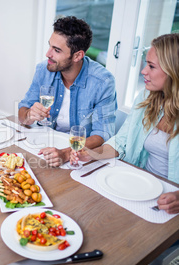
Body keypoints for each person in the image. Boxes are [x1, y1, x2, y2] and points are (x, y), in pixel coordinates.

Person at [72, 33, 179, 214]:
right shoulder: (147, 98)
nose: (143, 71)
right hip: (141, 185)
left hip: (169, 201)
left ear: (173, 71)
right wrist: (91, 154)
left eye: (151, 66)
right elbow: (121, 142)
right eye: (146, 64)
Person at [18, 16, 117, 167]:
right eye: (50, 46)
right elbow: (22, 113)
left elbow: (102, 134)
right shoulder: (43, 70)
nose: (48, 54)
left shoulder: (102, 82)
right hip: (44, 147)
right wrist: (29, 115)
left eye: (56, 50)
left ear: (78, 55)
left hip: (79, 157)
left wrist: (66, 153)